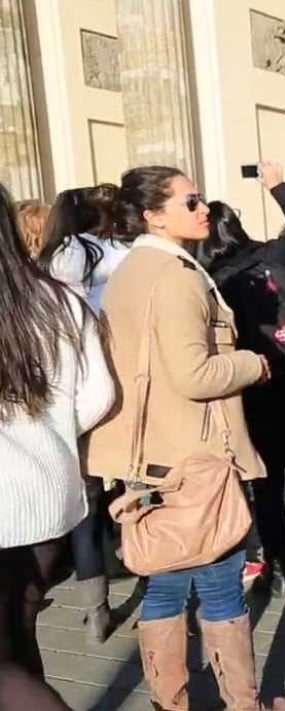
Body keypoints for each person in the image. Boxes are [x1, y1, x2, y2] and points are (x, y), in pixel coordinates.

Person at [86, 166, 285, 711]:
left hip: (150, 457)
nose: (204, 207)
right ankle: (243, 704)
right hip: (196, 458)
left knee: (166, 586)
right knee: (221, 587)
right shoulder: (177, 276)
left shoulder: (131, 271)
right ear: (153, 214)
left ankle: (169, 702)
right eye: (190, 200)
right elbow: (193, 375)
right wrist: (252, 363)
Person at [198, 162, 285, 593]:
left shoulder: (209, 284)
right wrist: (279, 185)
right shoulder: (273, 257)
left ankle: (275, 566)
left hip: (256, 395)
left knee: (268, 485)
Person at [0, 182, 115, 681]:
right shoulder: (61, 301)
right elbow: (99, 395)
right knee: (20, 640)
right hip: (48, 497)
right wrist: (51, 432)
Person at [38, 183, 129, 644]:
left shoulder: (44, 268)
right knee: (127, 483)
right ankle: (132, 557)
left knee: (86, 507)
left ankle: (95, 608)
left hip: (61, 402)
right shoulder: (116, 253)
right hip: (114, 388)